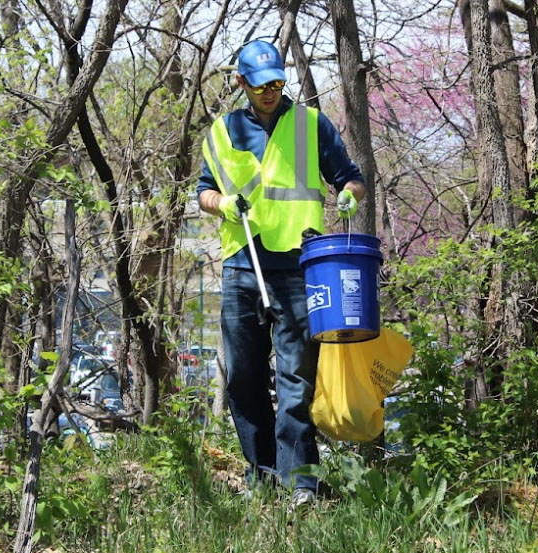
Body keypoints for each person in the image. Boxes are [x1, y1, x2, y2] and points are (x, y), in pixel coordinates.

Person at [197, 39, 365, 507]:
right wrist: (223, 204)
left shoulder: (311, 124)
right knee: (242, 380)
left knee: (297, 380)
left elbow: (350, 176)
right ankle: (263, 474)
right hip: (241, 266)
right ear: (240, 83)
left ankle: (301, 486)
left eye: (276, 82)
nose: (269, 91)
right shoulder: (223, 131)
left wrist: (351, 194)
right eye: (259, 84)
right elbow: (203, 192)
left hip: (298, 267)